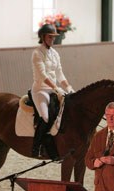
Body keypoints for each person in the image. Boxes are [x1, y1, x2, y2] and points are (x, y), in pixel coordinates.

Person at [31, 23, 74, 158]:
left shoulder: (55, 53)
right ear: (43, 37)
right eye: (50, 37)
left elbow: (60, 74)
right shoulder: (37, 53)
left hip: (55, 90)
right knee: (46, 117)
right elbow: (43, 76)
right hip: (41, 90)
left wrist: (68, 87)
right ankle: (35, 147)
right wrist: (56, 88)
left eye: (53, 37)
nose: (52, 39)